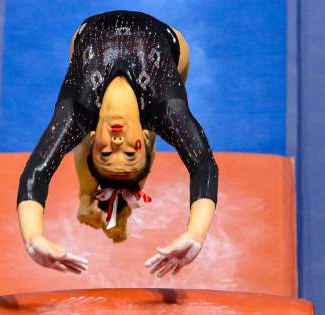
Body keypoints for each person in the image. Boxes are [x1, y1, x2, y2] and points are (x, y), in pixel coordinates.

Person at [16, 10, 219, 278]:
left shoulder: (76, 111)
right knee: (162, 119)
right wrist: (196, 234)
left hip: (85, 39)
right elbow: (203, 164)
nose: (118, 141)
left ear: (93, 140)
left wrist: (33, 238)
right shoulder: (167, 108)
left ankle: (97, 201)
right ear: (142, 142)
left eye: (107, 152)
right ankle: (109, 201)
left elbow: (36, 171)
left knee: (86, 122)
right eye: (129, 152)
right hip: (170, 48)